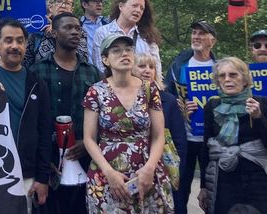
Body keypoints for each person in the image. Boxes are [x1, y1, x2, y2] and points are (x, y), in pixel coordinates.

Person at [198, 57, 267, 213]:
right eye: (222, 76)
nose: (227, 79)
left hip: (259, 180)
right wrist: (204, 187)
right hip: (225, 181)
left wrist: (259, 117)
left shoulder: (264, 103)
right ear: (217, 81)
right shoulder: (212, 107)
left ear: (245, 79)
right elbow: (206, 149)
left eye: (233, 75)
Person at [83, 34, 173, 213]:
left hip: (146, 172)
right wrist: (109, 173)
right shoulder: (96, 92)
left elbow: (158, 135)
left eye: (128, 49)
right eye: (116, 50)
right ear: (105, 59)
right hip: (107, 174)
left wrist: (149, 168)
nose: (124, 53)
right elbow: (89, 138)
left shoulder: (149, 88)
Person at [0, 19, 52, 210]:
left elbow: (44, 133)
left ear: (26, 45)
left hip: (24, 173)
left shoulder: (36, 83)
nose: (14, 46)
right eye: (8, 40)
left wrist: (42, 178)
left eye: (19, 41)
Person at [30, 12, 101, 214]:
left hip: (84, 155)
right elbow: (32, 118)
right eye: (67, 28)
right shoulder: (37, 71)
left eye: (78, 28)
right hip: (48, 159)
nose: (74, 32)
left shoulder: (92, 72)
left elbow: (101, 115)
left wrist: (88, 143)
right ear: (53, 33)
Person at [163, 20, 217, 214]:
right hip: (185, 136)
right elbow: (166, 95)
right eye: (194, 33)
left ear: (213, 40)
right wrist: (178, 105)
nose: (196, 37)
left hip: (211, 138)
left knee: (213, 189)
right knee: (180, 188)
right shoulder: (179, 65)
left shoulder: (220, 67)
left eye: (202, 33)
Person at [135, 52, 187, 210]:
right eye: (142, 66)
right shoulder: (122, 99)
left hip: (165, 166)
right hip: (135, 164)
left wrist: (177, 169)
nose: (147, 70)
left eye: (152, 67)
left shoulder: (169, 100)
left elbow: (179, 140)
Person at [92, 0, 162, 76]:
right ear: (121, 6)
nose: (138, 10)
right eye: (134, 6)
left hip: (143, 86)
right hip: (113, 86)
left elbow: (156, 67)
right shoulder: (103, 32)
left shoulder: (148, 35)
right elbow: (99, 65)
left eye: (142, 8)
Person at [24, 0, 88, 67]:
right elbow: (25, 63)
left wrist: (58, 29)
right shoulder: (37, 29)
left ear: (71, 9)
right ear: (50, 7)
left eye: (67, 3)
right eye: (59, 1)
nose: (63, 5)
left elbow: (82, 59)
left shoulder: (79, 31)